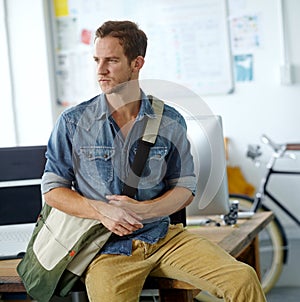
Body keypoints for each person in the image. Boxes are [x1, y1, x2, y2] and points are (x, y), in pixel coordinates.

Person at [42, 20, 266, 302]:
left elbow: (185, 188)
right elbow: (52, 190)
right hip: (105, 250)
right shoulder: (73, 122)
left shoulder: (170, 120)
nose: (100, 70)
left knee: (243, 279)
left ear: (137, 63)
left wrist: (145, 212)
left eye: (111, 60)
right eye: (97, 60)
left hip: (164, 238)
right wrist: (101, 211)